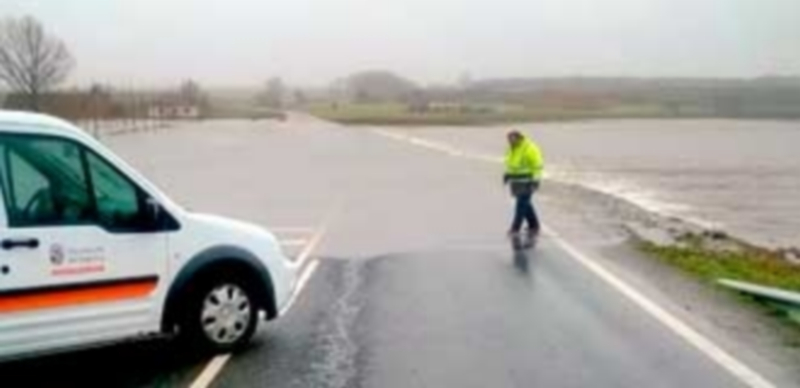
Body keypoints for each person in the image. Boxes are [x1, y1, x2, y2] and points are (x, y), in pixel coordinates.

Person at [503, 130, 544, 236]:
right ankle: (534, 225)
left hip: (527, 181)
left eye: (512, 139)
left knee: (520, 205)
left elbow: (537, 165)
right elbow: (510, 163)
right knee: (526, 204)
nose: (510, 142)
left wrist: (536, 180)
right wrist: (507, 174)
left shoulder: (530, 148)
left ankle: (515, 228)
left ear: (519, 138)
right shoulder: (511, 148)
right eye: (509, 139)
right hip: (516, 182)